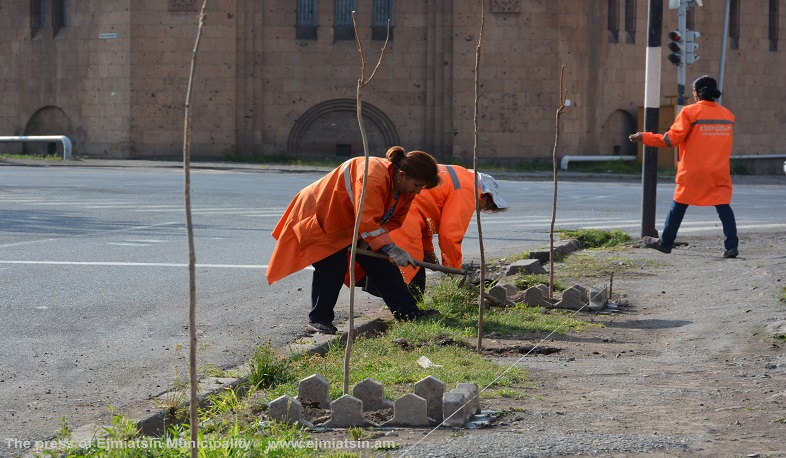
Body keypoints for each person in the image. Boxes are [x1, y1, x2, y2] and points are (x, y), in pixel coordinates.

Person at [265, 146, 442, 334]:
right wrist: (388, 246)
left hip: (353, 225)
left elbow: (394, 220)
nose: (418, 192)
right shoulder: (372, 176)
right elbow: (367, 218)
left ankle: (408, 313)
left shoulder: (405, 191)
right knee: (332, 266)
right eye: (417, 185)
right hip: (323, 216)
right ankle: (319, 319)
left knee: (383, 265)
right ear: (402, 175)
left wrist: (381, 244)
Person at [629, 75, 738, 258]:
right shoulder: (727, 116)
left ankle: (665, 243)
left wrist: (644, 137)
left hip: (693, 171)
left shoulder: (689, 112)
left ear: (696, 93)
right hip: (719, 171)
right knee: (724, 207)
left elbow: (670, 140)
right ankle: (731, 246)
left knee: (678, 206)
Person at [362, 165, 509, 298]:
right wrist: (454, 272)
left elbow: (426, 218)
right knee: (410, 269)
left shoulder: (460, 175)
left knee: (409, 265)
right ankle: (409, 313)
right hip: (404, 218)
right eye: (487, 205)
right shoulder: (468, 190)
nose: (482, 208)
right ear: (484, 195)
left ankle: (406, 307)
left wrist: (427, 250)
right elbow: (451, 236)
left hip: (399, 212)